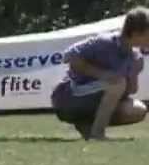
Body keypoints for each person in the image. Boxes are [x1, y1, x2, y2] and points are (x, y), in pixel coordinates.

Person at [51, 7, 149, 140]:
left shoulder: (135, 57)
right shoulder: (105, 42)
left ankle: (87, 125)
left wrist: (134, 73)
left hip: (92, 101)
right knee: (117, 83)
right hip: (68, 97)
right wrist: (103, 75)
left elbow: (131, 90)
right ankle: (97, 133)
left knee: (138, 110)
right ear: (136, 33)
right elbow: (69, 56)